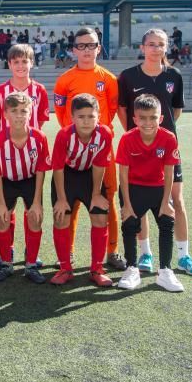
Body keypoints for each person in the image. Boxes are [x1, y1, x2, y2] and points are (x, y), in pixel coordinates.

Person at [117, 29, 192, 276]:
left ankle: (184, 255)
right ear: (142, 47)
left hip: (166, 149)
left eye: (161, 45)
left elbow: (176, 111)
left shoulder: (174, 75)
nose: (156, 49)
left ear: (166, 48)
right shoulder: (128, 76)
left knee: (177, 198)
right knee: (139, 198)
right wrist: (139, 133)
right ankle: (145, 253)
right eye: (151, 44)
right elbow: (123, 110)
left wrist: (160, 134)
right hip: (138, 149)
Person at [53, 27, 124, 270]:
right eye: (81, 46)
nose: (86, 50)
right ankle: (68, 252)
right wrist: (77, 138)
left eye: (91, 45)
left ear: (98, 48)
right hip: (73, 152)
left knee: (107, 200)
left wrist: (96, 135)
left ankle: (112, 251)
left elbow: (111, 110)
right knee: (70, 203)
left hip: (102, 150)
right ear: (74, 50)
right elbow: (62, 114)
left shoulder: (109, 79)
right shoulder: (65, 80)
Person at [116, 94, 184, 292]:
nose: (148, 122)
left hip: (158, 187)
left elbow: (170, 171)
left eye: (153, 117)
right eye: (142, 118)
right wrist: (127, 205)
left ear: (160, 118)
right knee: (129, 224)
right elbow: (123, 174)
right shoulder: (127, 139)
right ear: (135, 119)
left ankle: (164, 271)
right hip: (133, 188)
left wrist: (166, 201)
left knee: (166, 222)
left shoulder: (168, 138)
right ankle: (131, 269)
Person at [0, 44, 50, 267]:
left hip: (32, 157)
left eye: (25, 61)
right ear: (9, 64)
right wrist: (6, 139)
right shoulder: (1, 91)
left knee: (33, 211)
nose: (21, 65)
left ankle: (30, 256)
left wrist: (29, 142)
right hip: (8, 159)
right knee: (6, 211)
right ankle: (9, 253)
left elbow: (41, 121)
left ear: (31, 63)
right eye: (16, 62)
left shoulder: (40, 90)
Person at [50, 93, 114, 287]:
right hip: (66, 176)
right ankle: (65, 268)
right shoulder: (64, 135)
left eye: (91, 116)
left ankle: (96, 269)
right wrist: (61, 198)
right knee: (61, 217)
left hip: (89, 176)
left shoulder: (104, 134)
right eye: (81, 116)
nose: (86, 121)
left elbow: (100, 165)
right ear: (72, 117)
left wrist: (96, 194)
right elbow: (58, 168)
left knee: (100, 215)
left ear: (99, 116)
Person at [0, 91, 50, 283]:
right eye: (14, 111)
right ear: (5, 114)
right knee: (3, 219)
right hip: (7, 181)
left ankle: (31, 265)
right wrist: (1, 204)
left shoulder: (39, 137)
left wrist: (37, 202)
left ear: (31, 113)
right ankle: (6, 263)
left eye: (24, 111)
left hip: (30, 181)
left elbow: (40, 171)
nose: (19, 115)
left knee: (35, 218)